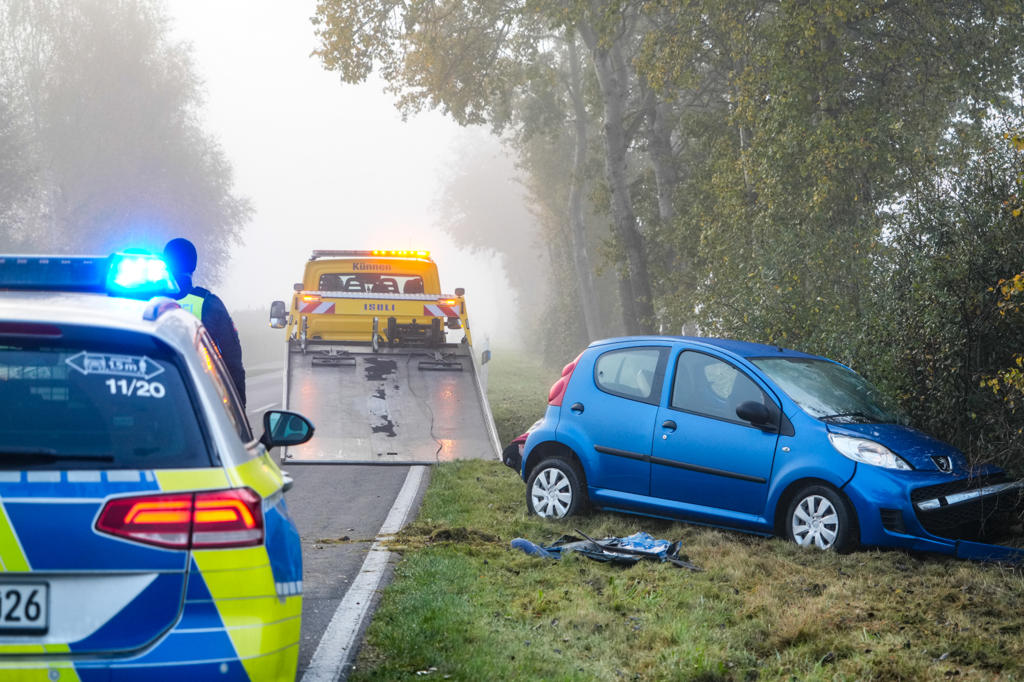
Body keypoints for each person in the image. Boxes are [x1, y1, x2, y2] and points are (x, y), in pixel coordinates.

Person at [163, 238, 246, 406]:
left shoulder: (145, 302)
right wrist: (239, 411)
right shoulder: (209, 303)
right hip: (200, 404)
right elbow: (232, 362)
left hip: (155, 397)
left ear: (165, 264)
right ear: (194, 266)